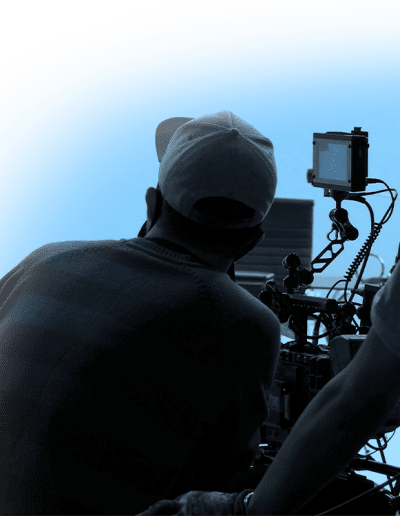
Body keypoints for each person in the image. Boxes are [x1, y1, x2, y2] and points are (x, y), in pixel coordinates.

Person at [0, 110, 281, 515]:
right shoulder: (244, 322)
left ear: (151, 204)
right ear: (252, 241)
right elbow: (223, 477)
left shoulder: (46, 260)